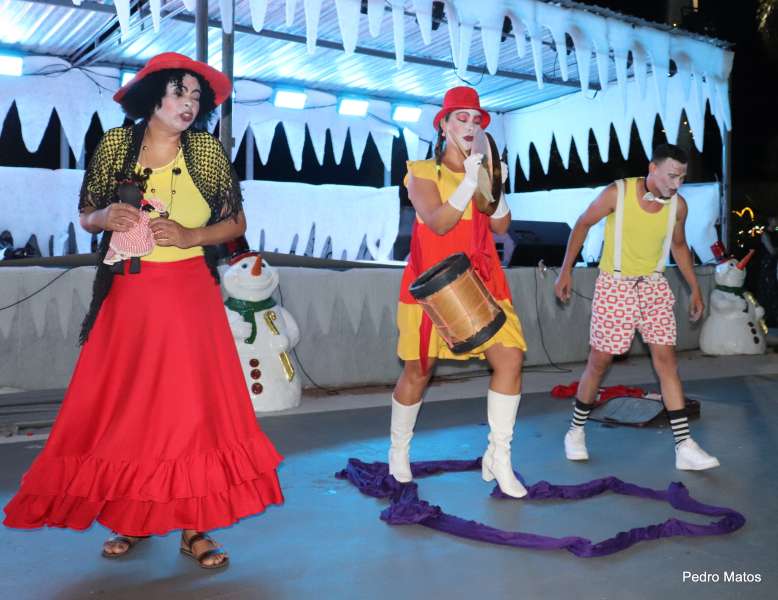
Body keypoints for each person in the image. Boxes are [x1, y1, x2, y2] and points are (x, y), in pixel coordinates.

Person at [3, 53, 284, 568]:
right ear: (152, 97)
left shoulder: (205, 151)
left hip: (188, 298)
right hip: (128, 298)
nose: (188, 103)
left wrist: (192, 235)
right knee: (131, 413)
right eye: (179, 92)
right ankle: (132, 519)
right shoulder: (116, 145)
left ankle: (194, 528)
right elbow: (86, 214)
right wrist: (104, 216)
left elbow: (236, 222)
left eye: (195, 96)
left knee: (191, 412)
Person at [388, 86, 529, 498]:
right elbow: (439, 222)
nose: (470, 126)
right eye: (461, 118)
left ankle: (498, 455)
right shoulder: (421, 171)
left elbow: (501, 226)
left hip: (480, 282)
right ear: (443, 125)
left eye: (476, 120)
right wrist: (469, 181)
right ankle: (399, 450)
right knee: (418, 371)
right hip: (432, 286)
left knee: (510, 358)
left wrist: (493, 187)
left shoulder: (482, 171)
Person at [554, 144, 719, 471]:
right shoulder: (617, 194)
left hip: (654, 285)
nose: (676, 184)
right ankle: (575, 431)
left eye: (682, 177)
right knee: (599, 362)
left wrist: (695, 288)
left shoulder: (678, 206)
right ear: (652, 168)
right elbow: (583, 224)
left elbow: (679, 246)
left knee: (667, 362)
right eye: (671, 176)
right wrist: (565, 270)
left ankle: (684, 446)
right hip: (615, 285)